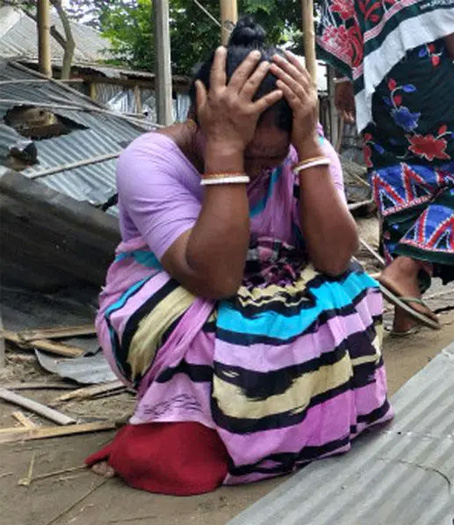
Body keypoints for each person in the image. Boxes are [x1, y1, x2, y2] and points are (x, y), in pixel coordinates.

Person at [86, 19, 390, 494]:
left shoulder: (302, 146)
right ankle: (248, 425)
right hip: (188, 297)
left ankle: (255, 428)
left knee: (352, 297)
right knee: (219, 340)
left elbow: (334, 258)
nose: (255, 172)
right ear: (199, 118)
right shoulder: (149, 160)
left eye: (267, 160)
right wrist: (224, 153)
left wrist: (307, 147)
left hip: (267, 297)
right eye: (241, 152)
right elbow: (217, 280)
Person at [319, 1, 454, 335]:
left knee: (400, 185)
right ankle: (405, 267)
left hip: (373, 81)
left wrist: (344, 77)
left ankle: (405, 311)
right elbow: (444, 14)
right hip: (424, 74)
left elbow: (341, 17)